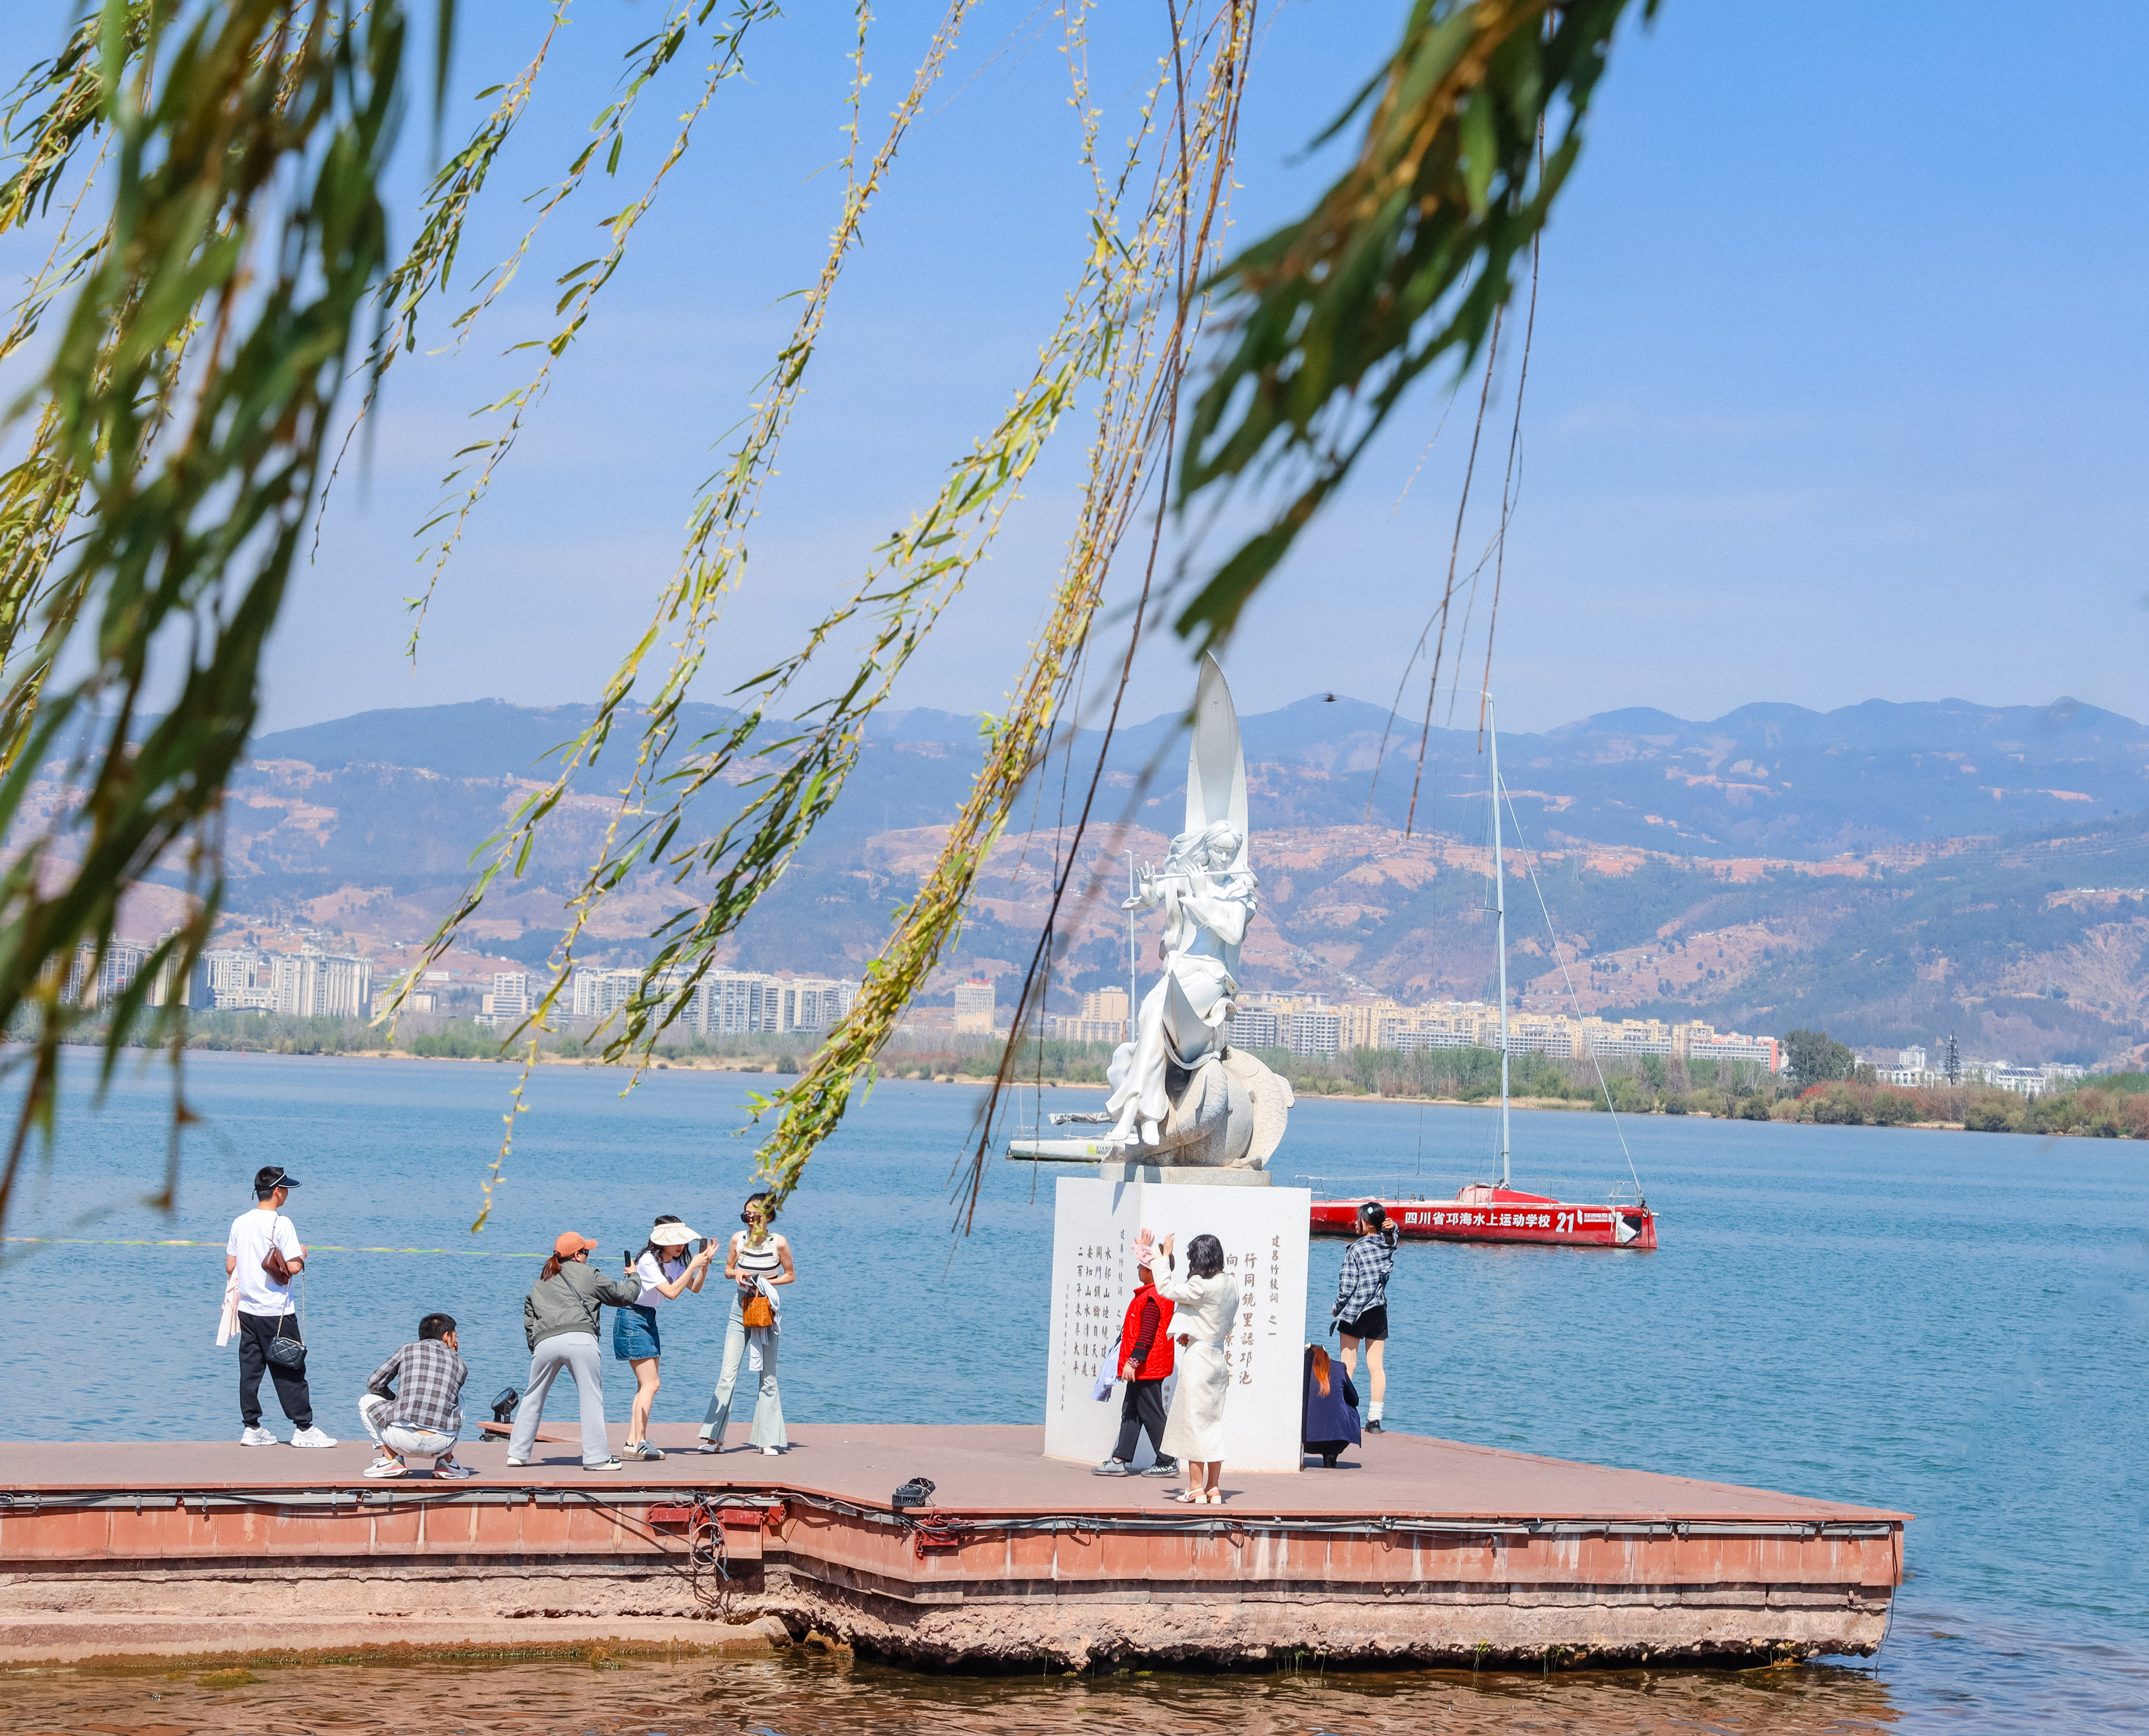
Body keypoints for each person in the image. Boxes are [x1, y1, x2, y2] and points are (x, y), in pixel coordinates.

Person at [507, 1230, 644, 1470]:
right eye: (587, 1252)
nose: (588, 1257)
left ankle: (517, 1454)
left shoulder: (542, 1280)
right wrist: (634, 1276)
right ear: (578, 1255)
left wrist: (535, 1344)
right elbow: (625, 1297)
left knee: (533, 1397)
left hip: (545, 1343)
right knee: (591, 1398)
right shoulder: (589, 1274)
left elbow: (529, 1313)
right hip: (580, 1339)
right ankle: (596, 1459)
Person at [225, 1164, 336, 1447]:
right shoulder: (282, 1223)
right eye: (285, 1188)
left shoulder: (240, 1222)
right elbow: (294, 1267)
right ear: (277, 1191)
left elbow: (230, 1266)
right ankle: (304, 1428)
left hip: (248, 1310)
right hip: (277, 1311)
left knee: (250, 1370)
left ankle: (252, 1427)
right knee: (290, 1368)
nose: (287, 1193)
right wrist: (303, 1254)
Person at [1146, 1228, 1239, 1505]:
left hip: (1199, 1359)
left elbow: (1166, 1289)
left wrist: (1163, 1257)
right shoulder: (1231, 1283)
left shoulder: (1201, 1285)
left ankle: (1196, 1487)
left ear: (1199, 1259)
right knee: (1212, 1423)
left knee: (1194, 1424)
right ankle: (1213, 1487)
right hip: (1218, 1356)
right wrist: (1196, 1330)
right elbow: (1223, 1318)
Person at [696, 1192, 793, 1456]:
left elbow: (790, 1275)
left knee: (768, 1377)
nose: (750, 1221)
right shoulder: (738, 1240)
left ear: (769, 1217)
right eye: (746, 1216)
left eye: (756, 1216)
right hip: (740, 1307)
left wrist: (764, 1281)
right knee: (728, 1373)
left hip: (767, 1309)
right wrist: (737, 1273)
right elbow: (727, 1270)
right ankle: (715, 1438)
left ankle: (769, 1439)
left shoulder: (779, 1243)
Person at [615, 1215, 715, 1461]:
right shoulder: (648, 1261)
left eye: (682, 1240)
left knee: (645, 1386)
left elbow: (694, 1287)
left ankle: (634, 1441)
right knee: (652, 1384)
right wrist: (694, 1266)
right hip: (631, 1317)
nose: (680, 1245)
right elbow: (671, 1293)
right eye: (674, 1241)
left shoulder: (673, 1262)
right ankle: (638, 1443)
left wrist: (705, 1265)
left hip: (648, 1317)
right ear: (661, 1242)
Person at [1093, 1246, 1179, 1478]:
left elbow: (1147, 1334)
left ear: (1152, 1271)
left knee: (1151, 1414)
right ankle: (1120, 1459)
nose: (1139, 1269)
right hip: (1147, 1366)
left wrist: (1133, 1362)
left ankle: (1168, 1460)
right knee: (1131, 1410)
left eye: (1142, 1266)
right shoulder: (1153, 1293)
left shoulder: (1152, 1297)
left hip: (1147, 1367)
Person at [360, 1313, 474, 1479]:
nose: (456, 1342)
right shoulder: (460, 1363)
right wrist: (455, 1355)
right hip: (441, 1444)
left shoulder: (407, 1349)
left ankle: (391, 1460)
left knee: (366, 1401)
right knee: (459, 1400)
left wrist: (396, 1401)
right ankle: (446, 1463)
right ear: (446, 1336)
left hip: (401, 1440)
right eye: (455, 1336)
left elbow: (374, 1384)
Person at [1332, 1201, 1397, 1432]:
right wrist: (1391, 1227)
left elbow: (1347, 1286)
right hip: (1378, 1311)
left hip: (1355, 1314)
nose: (1355, 1222)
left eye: (1359, 1219)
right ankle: (1375, 1421)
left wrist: (1336, 1308)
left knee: (1347, 1366)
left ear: (1369, 1225)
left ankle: (1341, 1415)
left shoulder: (1356, 1249)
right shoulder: (1387, 1243)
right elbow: (1394, 1236)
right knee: (1376, 1367)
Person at [1301, 1342, 1362, 1468]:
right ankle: (1330, 1456)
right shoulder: (1339, 1367)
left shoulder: (1299, 1369)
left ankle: (1298, 1454)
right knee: (1349, 1407)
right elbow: (1355, 1400)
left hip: (1303, 1440)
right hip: (1336, 1441)